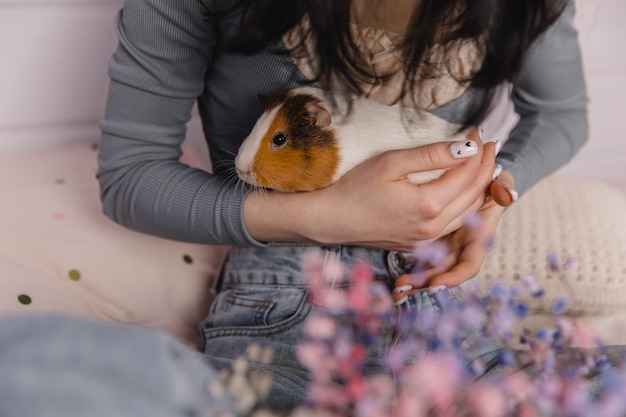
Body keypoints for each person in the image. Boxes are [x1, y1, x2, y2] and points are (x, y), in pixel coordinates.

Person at [96, 0, 589, 412]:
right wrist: (321, 217)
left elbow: (561, 113)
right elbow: (131, 176)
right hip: (289, 301)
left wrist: (489, 195)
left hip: (444, 305)